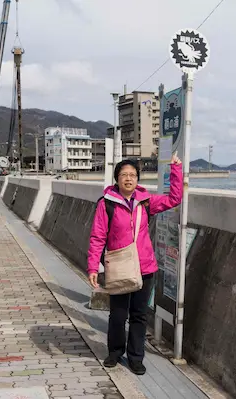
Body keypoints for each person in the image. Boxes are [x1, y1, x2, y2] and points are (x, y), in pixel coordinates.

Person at [87, 154, 183, 375]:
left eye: (132, 175)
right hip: (119, 266)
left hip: (145, 267)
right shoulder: (106, 204)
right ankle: (114, 352)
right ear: (117, 179)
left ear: (137, 179)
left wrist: (176, 169)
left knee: (139, 315)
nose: (128, 179)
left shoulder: (146, 201)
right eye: (124, 175)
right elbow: (97, 236)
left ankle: (136, 357)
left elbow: (174, 199)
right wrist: (93, 266)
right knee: (118, 314)